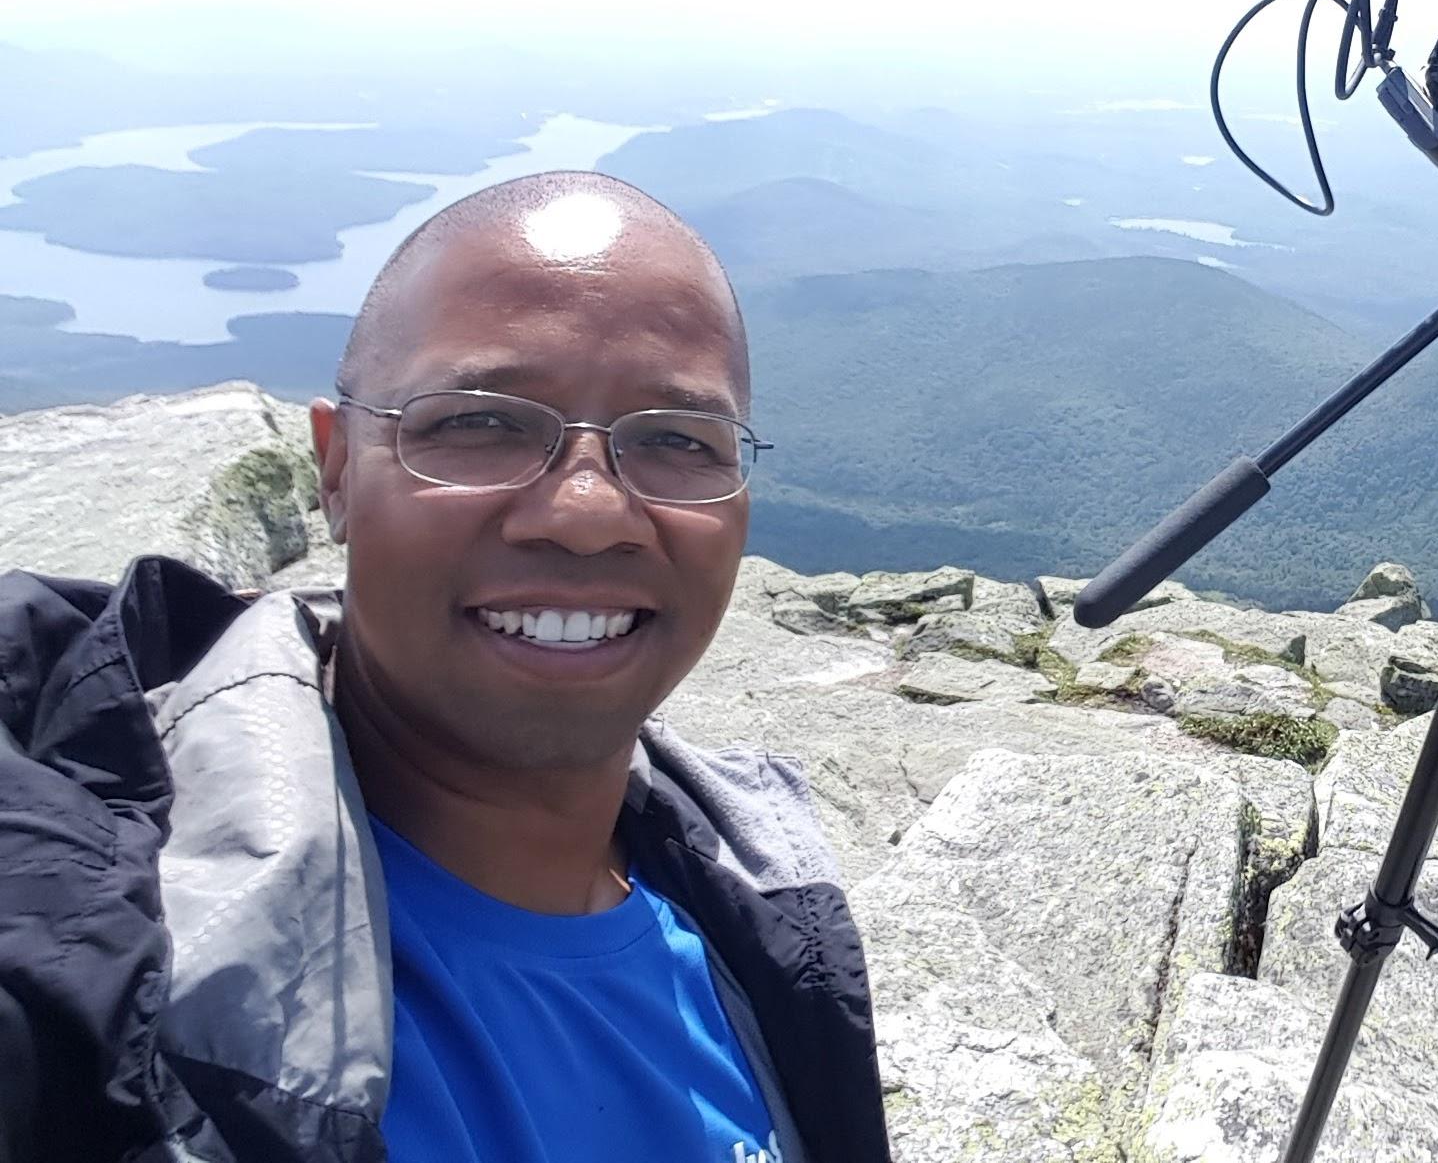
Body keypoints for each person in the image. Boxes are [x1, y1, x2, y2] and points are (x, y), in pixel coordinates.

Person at [0, 172, 892, 1162]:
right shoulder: (93, 950)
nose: (587, 515)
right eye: (480, 422)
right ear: (337, 471)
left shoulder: (758, 919)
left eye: (678, 441)